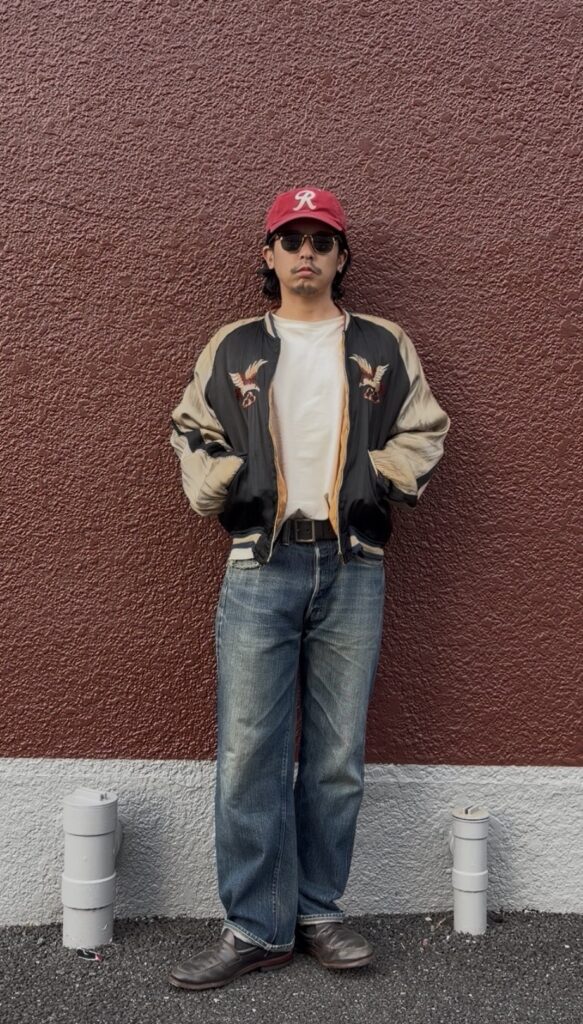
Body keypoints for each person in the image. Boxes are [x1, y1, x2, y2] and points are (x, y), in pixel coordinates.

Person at [167, 187, 450, 990]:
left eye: (320, 241)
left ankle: (319, 911)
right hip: (260, 565)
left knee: (334, 758)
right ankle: (256, 926)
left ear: (339, 256)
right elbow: (190, 428)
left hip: (352, 564)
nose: (305, 253)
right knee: (247, 755)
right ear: (267, 254)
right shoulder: (233, 347)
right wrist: (230, 483)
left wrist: (380, 479)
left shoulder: (382, 344)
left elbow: (425, 426)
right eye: (290, 239)